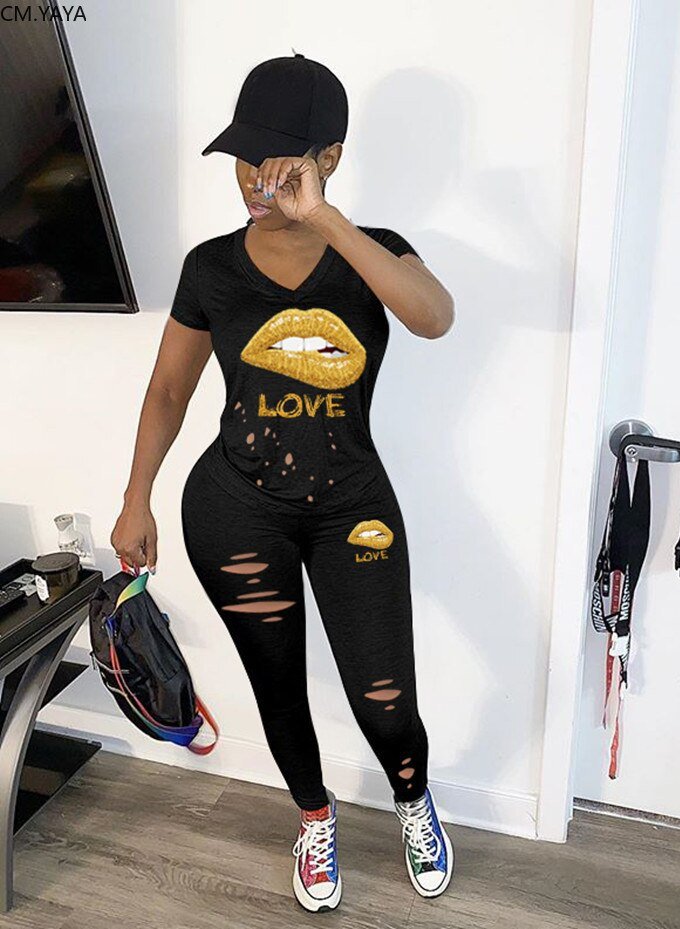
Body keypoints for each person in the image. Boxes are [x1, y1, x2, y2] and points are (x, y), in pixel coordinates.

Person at [111, 53, 455, 913]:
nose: (254, 177)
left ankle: (413, 799)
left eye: (277, 157)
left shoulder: (376, 252)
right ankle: (313, 814)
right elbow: (169, 390)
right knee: (277, 686)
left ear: (328, 156)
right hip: (234, 509)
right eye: (243, 156)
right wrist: (135, 496)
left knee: (385, 702)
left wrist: (326, 218)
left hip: (352, 509)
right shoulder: (210, 267)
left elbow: (435, 317)